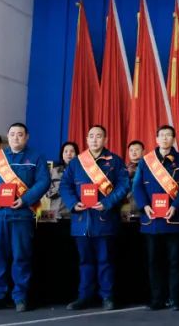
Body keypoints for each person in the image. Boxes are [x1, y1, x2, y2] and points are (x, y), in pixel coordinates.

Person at [0, 123, 51, 313]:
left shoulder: (36, 157)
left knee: (21, 256)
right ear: (7, 137)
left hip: (22, 215)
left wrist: (25, 199)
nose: (16, 138)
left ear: (27, 137)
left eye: (20, 134)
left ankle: (20, 297)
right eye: (12, 134)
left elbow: (43, 181)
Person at [59, 126, 130, 310]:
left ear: (105, 139)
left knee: (106, 261)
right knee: (85, 262)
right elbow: (65, 185)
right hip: (81, 220)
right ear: (86, 139)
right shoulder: (76, 162)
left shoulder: (115, 161)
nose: (95, 139)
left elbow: (124, 185)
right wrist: (73, 203)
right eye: (91, 136)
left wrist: (107, 202)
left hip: (105, 219)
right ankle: (85, 297)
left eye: (99, 136)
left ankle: (107, 296)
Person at [133, 125, 179, 311]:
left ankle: (175, 299)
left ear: (174, 139)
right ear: (156, 139)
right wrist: (144, 205)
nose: (165, 138)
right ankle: (157, 299)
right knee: (154, 262)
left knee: (175, 261)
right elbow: (137, 186)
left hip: (174, 219)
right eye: (161, 135)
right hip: (151, 219)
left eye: (169, 135)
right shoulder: (146, 161)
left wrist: (176, 205)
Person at [45, 142, 80, 221]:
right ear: (62, 155)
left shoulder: (81, 173)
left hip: (74, 215)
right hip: (55, 214)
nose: (69, 154)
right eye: (66, 151)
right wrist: (62, 187)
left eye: (72, 151)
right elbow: (47, 193)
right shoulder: (53, 171)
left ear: (76, 155)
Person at [122, 140, 145, 221]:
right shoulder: (123, 169)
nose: (134, 152)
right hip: (126, 208)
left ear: (143, 151)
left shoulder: (149, 168)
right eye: (131, 150)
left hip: (144, 209)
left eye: (137, 149)